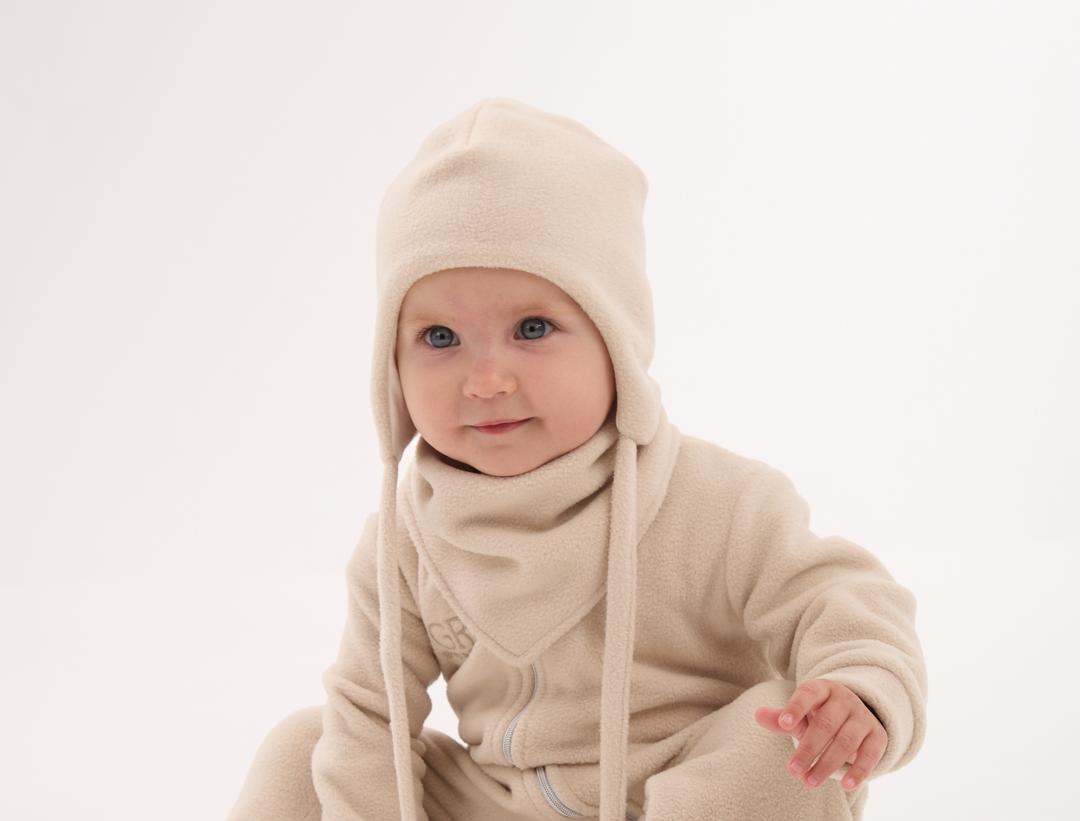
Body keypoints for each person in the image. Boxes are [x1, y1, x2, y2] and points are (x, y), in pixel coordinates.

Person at [226, 97, 927, 821]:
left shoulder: (721, 503)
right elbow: (370, 712)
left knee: (778, 737)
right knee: (311, 746)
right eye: (439, 338)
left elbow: (838, 595)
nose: (486, 380)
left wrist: (860, 688)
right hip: (498, 802)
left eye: (532, 328)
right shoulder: (405, 541)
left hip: (674, 798)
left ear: (616, 339)